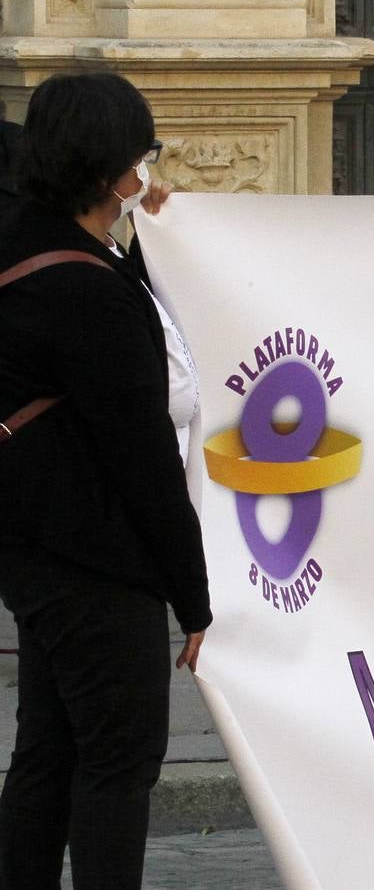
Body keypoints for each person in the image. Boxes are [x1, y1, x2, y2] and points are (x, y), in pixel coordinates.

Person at [0, 72, 210, 889]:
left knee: (49, 750)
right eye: (142, 155)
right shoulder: (87, 291)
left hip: (33, 546)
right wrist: (192, 598)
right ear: (111, 170)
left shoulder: (27, 238)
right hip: (97, 561)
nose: (149, 170)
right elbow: (144, 465)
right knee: (118, 763)